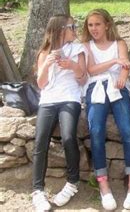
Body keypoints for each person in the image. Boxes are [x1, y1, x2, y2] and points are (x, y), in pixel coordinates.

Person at [82, 9, 130, 210]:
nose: (94, 29)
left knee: (128, 130)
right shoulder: (86, 46)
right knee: (96, 130)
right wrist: (115, 62)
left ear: (107, 24)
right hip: (96, 88)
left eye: (97, 24)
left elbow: (126, 64)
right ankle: (103, 184)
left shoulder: (119, 43)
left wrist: (124, 73)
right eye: (90, 25)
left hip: (117, 86)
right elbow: (91, 70)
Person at [31, 15, 87, 211]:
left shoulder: (78, 49)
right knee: (40, 140)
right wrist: (47, 63)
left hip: (70, 97)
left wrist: (72, 66)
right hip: (48, 100)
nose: (75, 29)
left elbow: (82, 78)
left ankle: (72, 183)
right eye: (72, 26)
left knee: (68, 137)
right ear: (60, 29)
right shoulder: (44, 53)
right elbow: (41, 84)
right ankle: (38, 190)